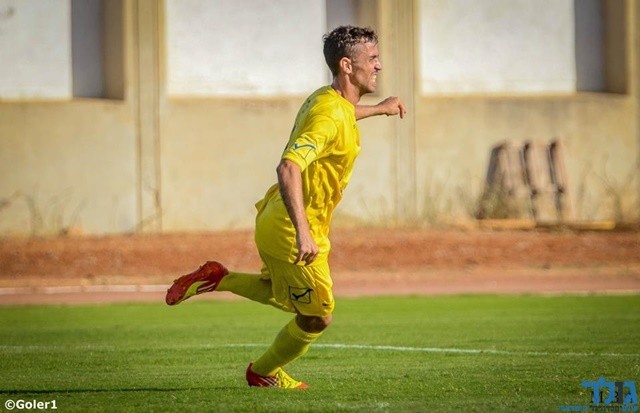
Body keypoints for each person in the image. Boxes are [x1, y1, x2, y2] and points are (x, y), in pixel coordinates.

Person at [165, 25, 406, 389]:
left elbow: (343, 115)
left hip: (280, 217)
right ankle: (262, 372)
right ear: (346, 65)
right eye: (372, 59)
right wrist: (303, 234)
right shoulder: (329, 116)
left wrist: (380, 109)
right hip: (292, 229)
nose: (379, 65)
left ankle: (217, 278)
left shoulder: (326, 99)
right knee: (317, 316)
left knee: (291, 295)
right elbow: (288, 167)